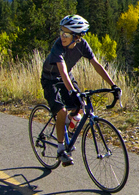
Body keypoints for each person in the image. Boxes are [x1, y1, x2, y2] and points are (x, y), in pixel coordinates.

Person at [42, 14, 119, 165]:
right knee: (62, 111)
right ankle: (60, 149)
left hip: (67, 77)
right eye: (61, 32)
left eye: (66, 34)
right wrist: (72, 92)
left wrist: (113, 85)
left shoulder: (82, 45)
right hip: (50, 79)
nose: (62, 36)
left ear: (77, 36)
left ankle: (67, 124)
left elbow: (96, 64)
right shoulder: (58, 47)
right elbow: (62, 71)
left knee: (81, 106)